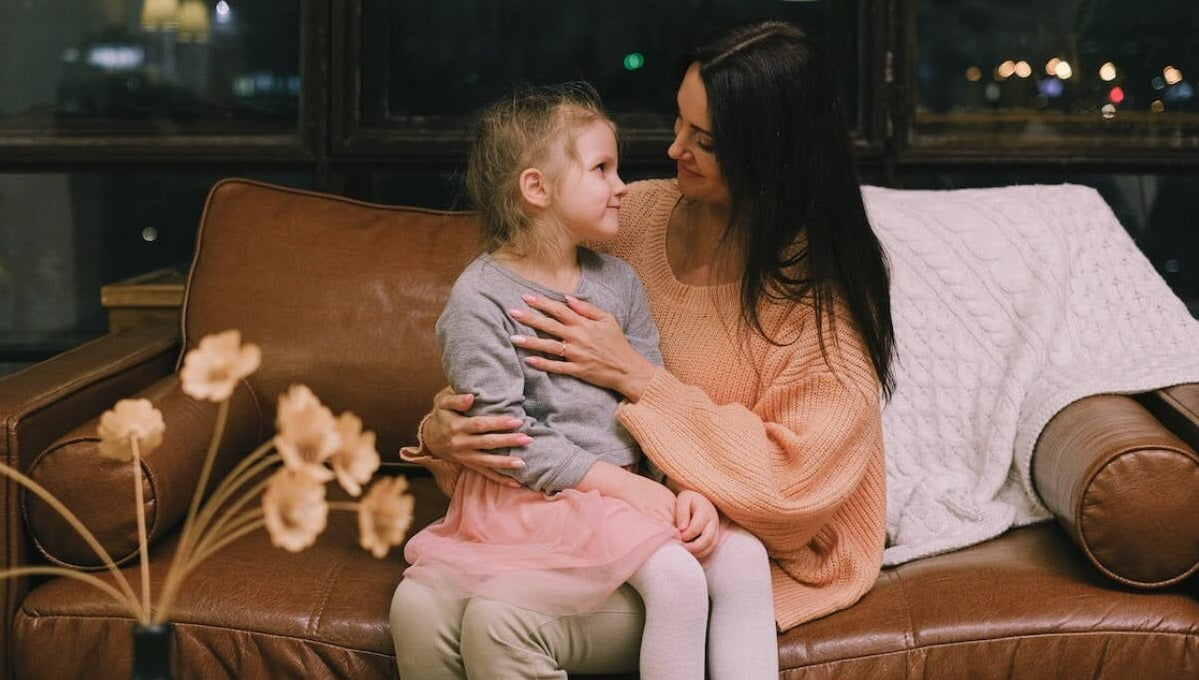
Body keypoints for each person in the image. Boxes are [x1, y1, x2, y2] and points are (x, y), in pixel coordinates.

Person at [394, 19, 893, 679]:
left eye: (703, 141)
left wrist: (635, 377)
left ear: (770, 157)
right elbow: (514, 357)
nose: (671, 149)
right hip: (598, 511)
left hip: (748, 545)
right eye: (678, 123)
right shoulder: (627, 219)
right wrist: (446, 429)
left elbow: (787, 491)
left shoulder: (819, 295)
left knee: (500, 623)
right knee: (419, 609)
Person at [392, 82, 778, 680]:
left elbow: (651, 400)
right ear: (536, 188)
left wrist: (682, 481)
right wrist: (637, 493)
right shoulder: (479, 298)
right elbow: (508, 439)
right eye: (602, 168)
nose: (621, 185)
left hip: (622, 494)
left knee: (722, 559)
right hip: (544, 501)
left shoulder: (618, 281)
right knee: (675, 574)